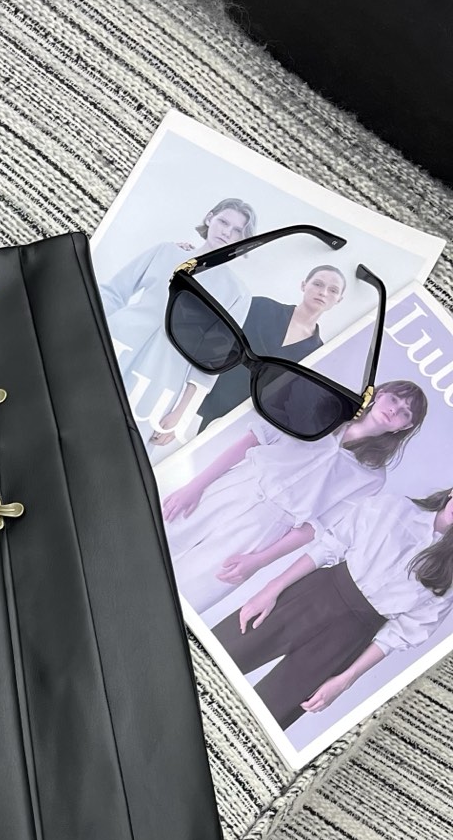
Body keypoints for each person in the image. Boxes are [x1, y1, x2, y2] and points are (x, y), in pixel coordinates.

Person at [159, 380, 428, 613]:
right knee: (159, 536)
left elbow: (315, 527)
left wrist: (259, 561)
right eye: (394, 399)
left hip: (263, 529)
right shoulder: (323, 412)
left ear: (404, 427)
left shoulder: (372, 476)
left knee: (190, 591)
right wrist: (194, 487)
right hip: (235, 487)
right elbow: (252, 440)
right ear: (379, 394)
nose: (394, 410)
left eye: (405, 413)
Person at [211, 486, 453, 730]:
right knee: (217, 653)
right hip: (311, 595)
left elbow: (402, 634)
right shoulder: (394, 507)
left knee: (265, 717)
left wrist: (346, 679)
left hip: (348, 639)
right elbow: (331, 546)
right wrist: (272, 588)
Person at [98, 197, 255, 449]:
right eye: (223, 222)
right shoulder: (166, 252)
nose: (227, 232)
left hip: (161, 377)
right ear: (209, 218)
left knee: (123, 447)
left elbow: (211, 361)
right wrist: (91, 334)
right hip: (114, 347)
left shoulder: (237, 293)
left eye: (237, 230)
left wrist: (181, 413)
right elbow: (112, 292)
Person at [198, 264, 346, 428]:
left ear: (339, 300)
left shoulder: (316, 355)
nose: (323, 292)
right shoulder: (261, 307)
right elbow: (216, 337)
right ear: (304, 285)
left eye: (333, 290)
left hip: (242, 422)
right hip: (202, 396)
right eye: (318, 284)